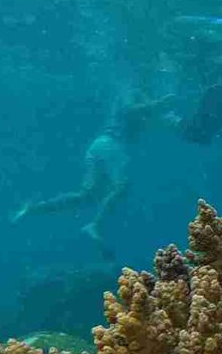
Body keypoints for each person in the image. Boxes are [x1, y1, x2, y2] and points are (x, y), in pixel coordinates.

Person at [11, 92, 171, 255]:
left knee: (88, 197)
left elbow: (154, 119)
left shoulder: (141, 101)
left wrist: (163, 111)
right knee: (123, 186)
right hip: (113, 145)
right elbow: (130, 110)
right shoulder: (132, 93)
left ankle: (32, 209)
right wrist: (158, 104)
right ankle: (95, 225)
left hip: (100, 145)